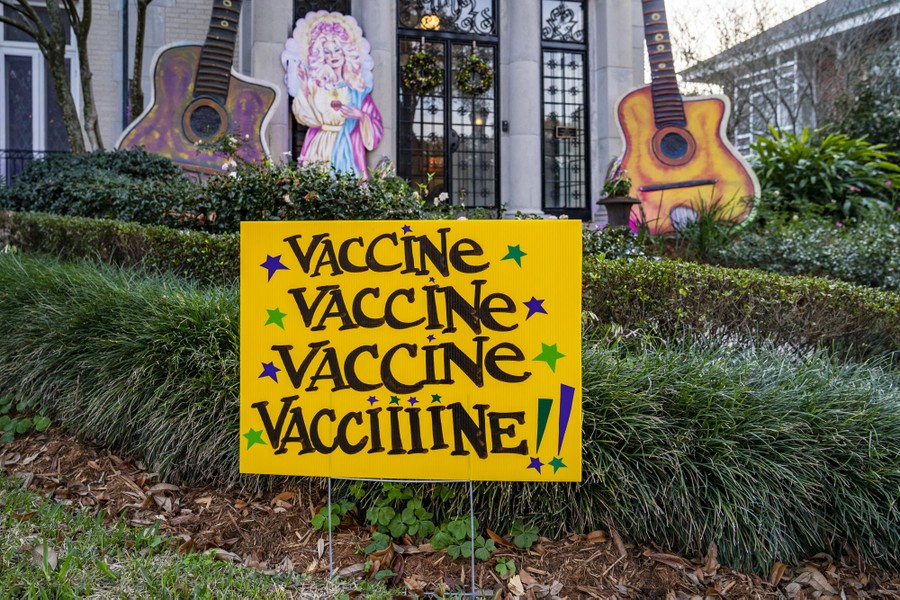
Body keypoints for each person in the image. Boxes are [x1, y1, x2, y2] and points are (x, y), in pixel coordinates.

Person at [282, 12, 383, 179]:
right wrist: (306, 86)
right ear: (321, 56)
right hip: (318, 148)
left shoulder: (357, 90)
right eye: (327, 52)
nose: (333, 56)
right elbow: (305, 116)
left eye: (337, 50)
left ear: (346, 52)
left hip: (349, 150)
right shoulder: (317, 85)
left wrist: (362, 116)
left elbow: (377, 126)